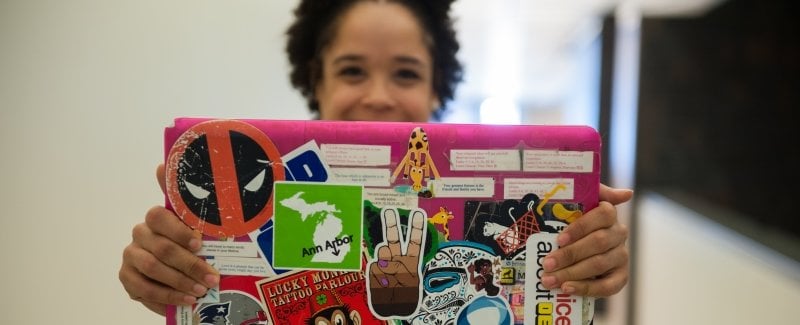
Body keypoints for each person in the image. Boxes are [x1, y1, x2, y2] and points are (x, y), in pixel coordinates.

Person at [119, 0, 633, 317]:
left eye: (406, 73)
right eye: (352, 71)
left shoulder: (482, 213)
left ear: (438, 88)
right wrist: (174, 280)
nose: (379, 96)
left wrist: (578, 259)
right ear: (314, 81)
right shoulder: (258, 196)